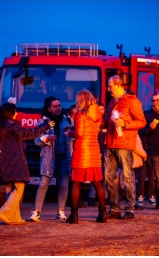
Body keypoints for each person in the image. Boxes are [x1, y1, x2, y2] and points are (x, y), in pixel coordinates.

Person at [0, 103, 53, 225]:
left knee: (10, 188)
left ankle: (15, 217)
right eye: (15, 111)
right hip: (14, 161)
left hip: (2, 161)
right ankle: (4, 211)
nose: (17, 114)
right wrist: (46, 126)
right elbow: (29, 134)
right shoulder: (12, 126)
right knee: (19, 187)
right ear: (10, 112)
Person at [103, 76, 146, 220]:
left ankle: (130, 209)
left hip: (124, 144)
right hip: (110, 144)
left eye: (110, 86)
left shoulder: (132, 101)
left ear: (118, 85)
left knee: (128, 177)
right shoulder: (112, 102)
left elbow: (142, 122)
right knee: (109, 177)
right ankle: (114, 209)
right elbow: (109, 121)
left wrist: (125, 124)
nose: (108, 89)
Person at [67, 89, 106, 224]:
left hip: (82, 150)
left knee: (76, 183)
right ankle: (103, 214)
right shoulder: (97, 114)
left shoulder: (80, 114)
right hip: (94, 149)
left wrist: (69, 133)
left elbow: (79, 133)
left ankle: (74, 215)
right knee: (97, 183)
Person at [30, 97, 72, 222]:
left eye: (59, 105)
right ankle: (36, 212)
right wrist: (46, 138)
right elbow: (36, 140)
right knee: (43, 183)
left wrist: (70, 133)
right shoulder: (43, 122)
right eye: (55, 106)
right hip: (49, 157)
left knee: (64, 184)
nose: (58, 108)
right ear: (49, 108)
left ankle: (61, 211)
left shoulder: (68, 119)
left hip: (64, 157)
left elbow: (75, 134)